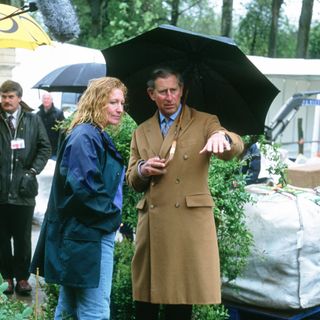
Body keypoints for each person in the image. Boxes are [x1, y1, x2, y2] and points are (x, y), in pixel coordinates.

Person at [126, 67, 244, 320]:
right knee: (145, 304)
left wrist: (222, 137)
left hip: (186, 225)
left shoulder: (204, 122)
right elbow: (132, 180)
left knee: (179, 303)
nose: (169, 97)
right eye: (162, 92)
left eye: (174, 90)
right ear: (151, 94)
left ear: (182, 91)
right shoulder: (141, 130)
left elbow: (233, 147)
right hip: (152, 227)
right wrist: (143, 170)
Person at [30, 77, 127, 319]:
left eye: (122, 103)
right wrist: (113, 217)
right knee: (94, 311)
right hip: (89, 234)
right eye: (113, 102)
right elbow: (84, 189)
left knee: (69, 307)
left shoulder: (93, 134)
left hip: (83, 235)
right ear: (97, 102)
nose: (119, 109)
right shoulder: (86, 136)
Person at [0, 80, 51, 295]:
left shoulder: (32, 120)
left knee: (22, 238)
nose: (6, 101)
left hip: (24, 190)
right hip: (1, 191)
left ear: (19, 98)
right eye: (3, 96)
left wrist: (32, 172)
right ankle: (7, 279)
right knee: (2, 238)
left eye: (10, 97)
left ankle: (22, 278)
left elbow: (45, 147)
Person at [37, 92, 65, 159]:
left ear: (51, 100)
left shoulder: (59, 113)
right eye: (44, 99)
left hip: (54, 149)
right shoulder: (38, 114)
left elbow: (62, 131)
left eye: (48, 99)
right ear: (42, 100)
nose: (46, 100)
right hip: (41, 148)